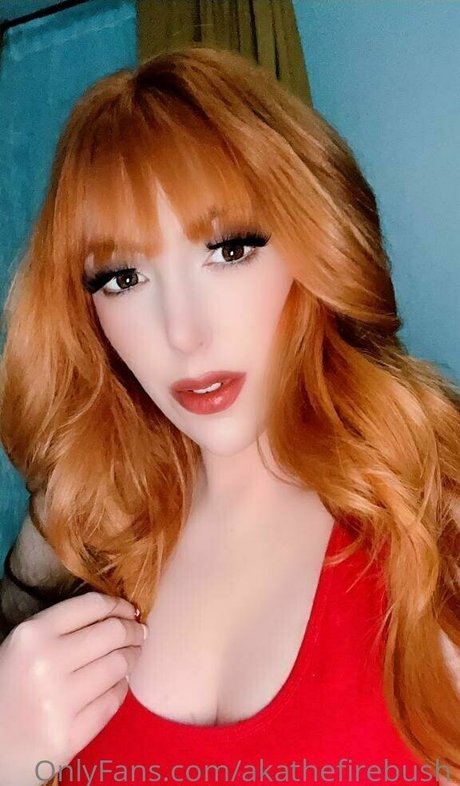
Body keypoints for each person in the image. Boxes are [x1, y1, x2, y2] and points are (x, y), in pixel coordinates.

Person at [0, 44, 459, 786]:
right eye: (122, 276)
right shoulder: (80, 529)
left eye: (229, 249)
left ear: (312, 240)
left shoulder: (437, 521)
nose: (183, 332)